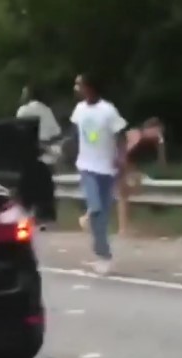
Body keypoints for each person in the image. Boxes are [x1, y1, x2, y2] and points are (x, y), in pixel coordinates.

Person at [71, 73, 128, 274]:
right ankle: (88, 216)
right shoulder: (79, 110)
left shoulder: (108, 110)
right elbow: (75, 134)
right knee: (95, 208)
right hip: (87, 166)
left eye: (81, 86)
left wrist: (121, 157)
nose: (78, 89)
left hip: (107, 167)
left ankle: (103, 255)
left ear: (91, 88)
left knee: (102, 216)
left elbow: (121, 136)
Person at [16, 84, 62, 229]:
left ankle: (26, 217)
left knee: (27, 189)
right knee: (46, 189)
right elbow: (56, 133)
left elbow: (19, 131)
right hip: (46, 155)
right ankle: (44, 219)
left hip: (29, 155)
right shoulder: (46, 110)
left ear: (29, 94)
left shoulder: (23, 111)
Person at [117, 117, 166, 236]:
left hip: (128, 167)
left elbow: (162, 163)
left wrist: (161, 143)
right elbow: (124, 155)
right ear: (149, 129)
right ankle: (123, 228)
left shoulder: (150, 140)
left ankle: (125, 227)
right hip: (118, 165)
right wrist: (125, 174)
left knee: (128, 196)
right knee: (125, 195)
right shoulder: (136, 135)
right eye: (157, 131)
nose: (158, 135)